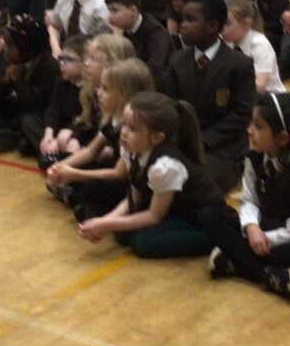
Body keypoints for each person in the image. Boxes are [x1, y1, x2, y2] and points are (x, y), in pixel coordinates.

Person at [203, 93, 290, 302]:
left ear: (282, 138)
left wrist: (267, 240)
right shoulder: (254, 158)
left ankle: (239, 262)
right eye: (251, 123)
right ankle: (270, 276)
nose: (249, 130)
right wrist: (251, 228)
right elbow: (249, 200)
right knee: (210, 216)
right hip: (262, 226)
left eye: (258, 126)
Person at [76, 91, 224, 259]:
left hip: (197, 217)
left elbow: (154, 216)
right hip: (173, 210)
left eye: (132, 128)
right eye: (124, 124)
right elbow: (134, 199)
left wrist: (107, 224)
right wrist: (106, 222)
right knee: (120, 233)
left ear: (157, 138)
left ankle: (215, 238)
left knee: (142, 243)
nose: (123, 132)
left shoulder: (165, 167)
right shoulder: (132, 150)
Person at [159, 0, 256, 195]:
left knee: (197, 185)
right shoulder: (178, 60)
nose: (182, 25)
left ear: (212, 26)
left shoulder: (239, 64)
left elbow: (241, 115)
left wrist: (203, 141)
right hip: (183, 143)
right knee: (156, 174)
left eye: (191, 20)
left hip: (222, 149)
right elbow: (170, 106)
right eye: (182, 19)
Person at [46, 57, 152, 220]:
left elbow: (119, 174)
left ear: (123, 94)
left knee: (96, 188)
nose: (98, 92)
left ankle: (81, 200)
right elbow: (91, 151)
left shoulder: (132, 129)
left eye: (105, 89)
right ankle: (79, 199)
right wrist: (60, 166)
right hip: (115, 172)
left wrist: (74, 174)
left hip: (130, 185)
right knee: (64, 160)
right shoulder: (113, 118)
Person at [0, 14, 59, 152]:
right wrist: (5, 81)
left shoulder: (49, 67)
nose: (6, 49)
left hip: (36, 111)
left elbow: (36, 104)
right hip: (16, 104)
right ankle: (5, 131)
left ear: (26, 49)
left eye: (11, 46)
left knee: (26, 121)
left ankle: (5, 131)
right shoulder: (8, 59)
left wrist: (18, 80)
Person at [25, 33, 89, 166]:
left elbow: (87, 121)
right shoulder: (61, 83)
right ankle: (53, 153)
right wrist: (49, 134)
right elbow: (53, 110)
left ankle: (54, 156)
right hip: (61, 128)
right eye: (60, 58)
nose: (61, 64)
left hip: (78, 131)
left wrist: (68, 135)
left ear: (84, 62)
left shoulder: (90, 89)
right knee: (29, 121)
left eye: (68, 60)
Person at [105, 0, 171, 77]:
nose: (110, 16)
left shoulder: (157, 33)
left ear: (133, 11)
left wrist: (118, 42)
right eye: (109, 10)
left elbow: (152, 70)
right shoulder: (117, 28)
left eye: (115, 10)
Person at [223, 0, 285, 94]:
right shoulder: (226, 41)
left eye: (226, 23)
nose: (221, 28)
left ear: (245, 24)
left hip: (268, 97)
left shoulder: (260, 45)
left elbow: (260, 86)